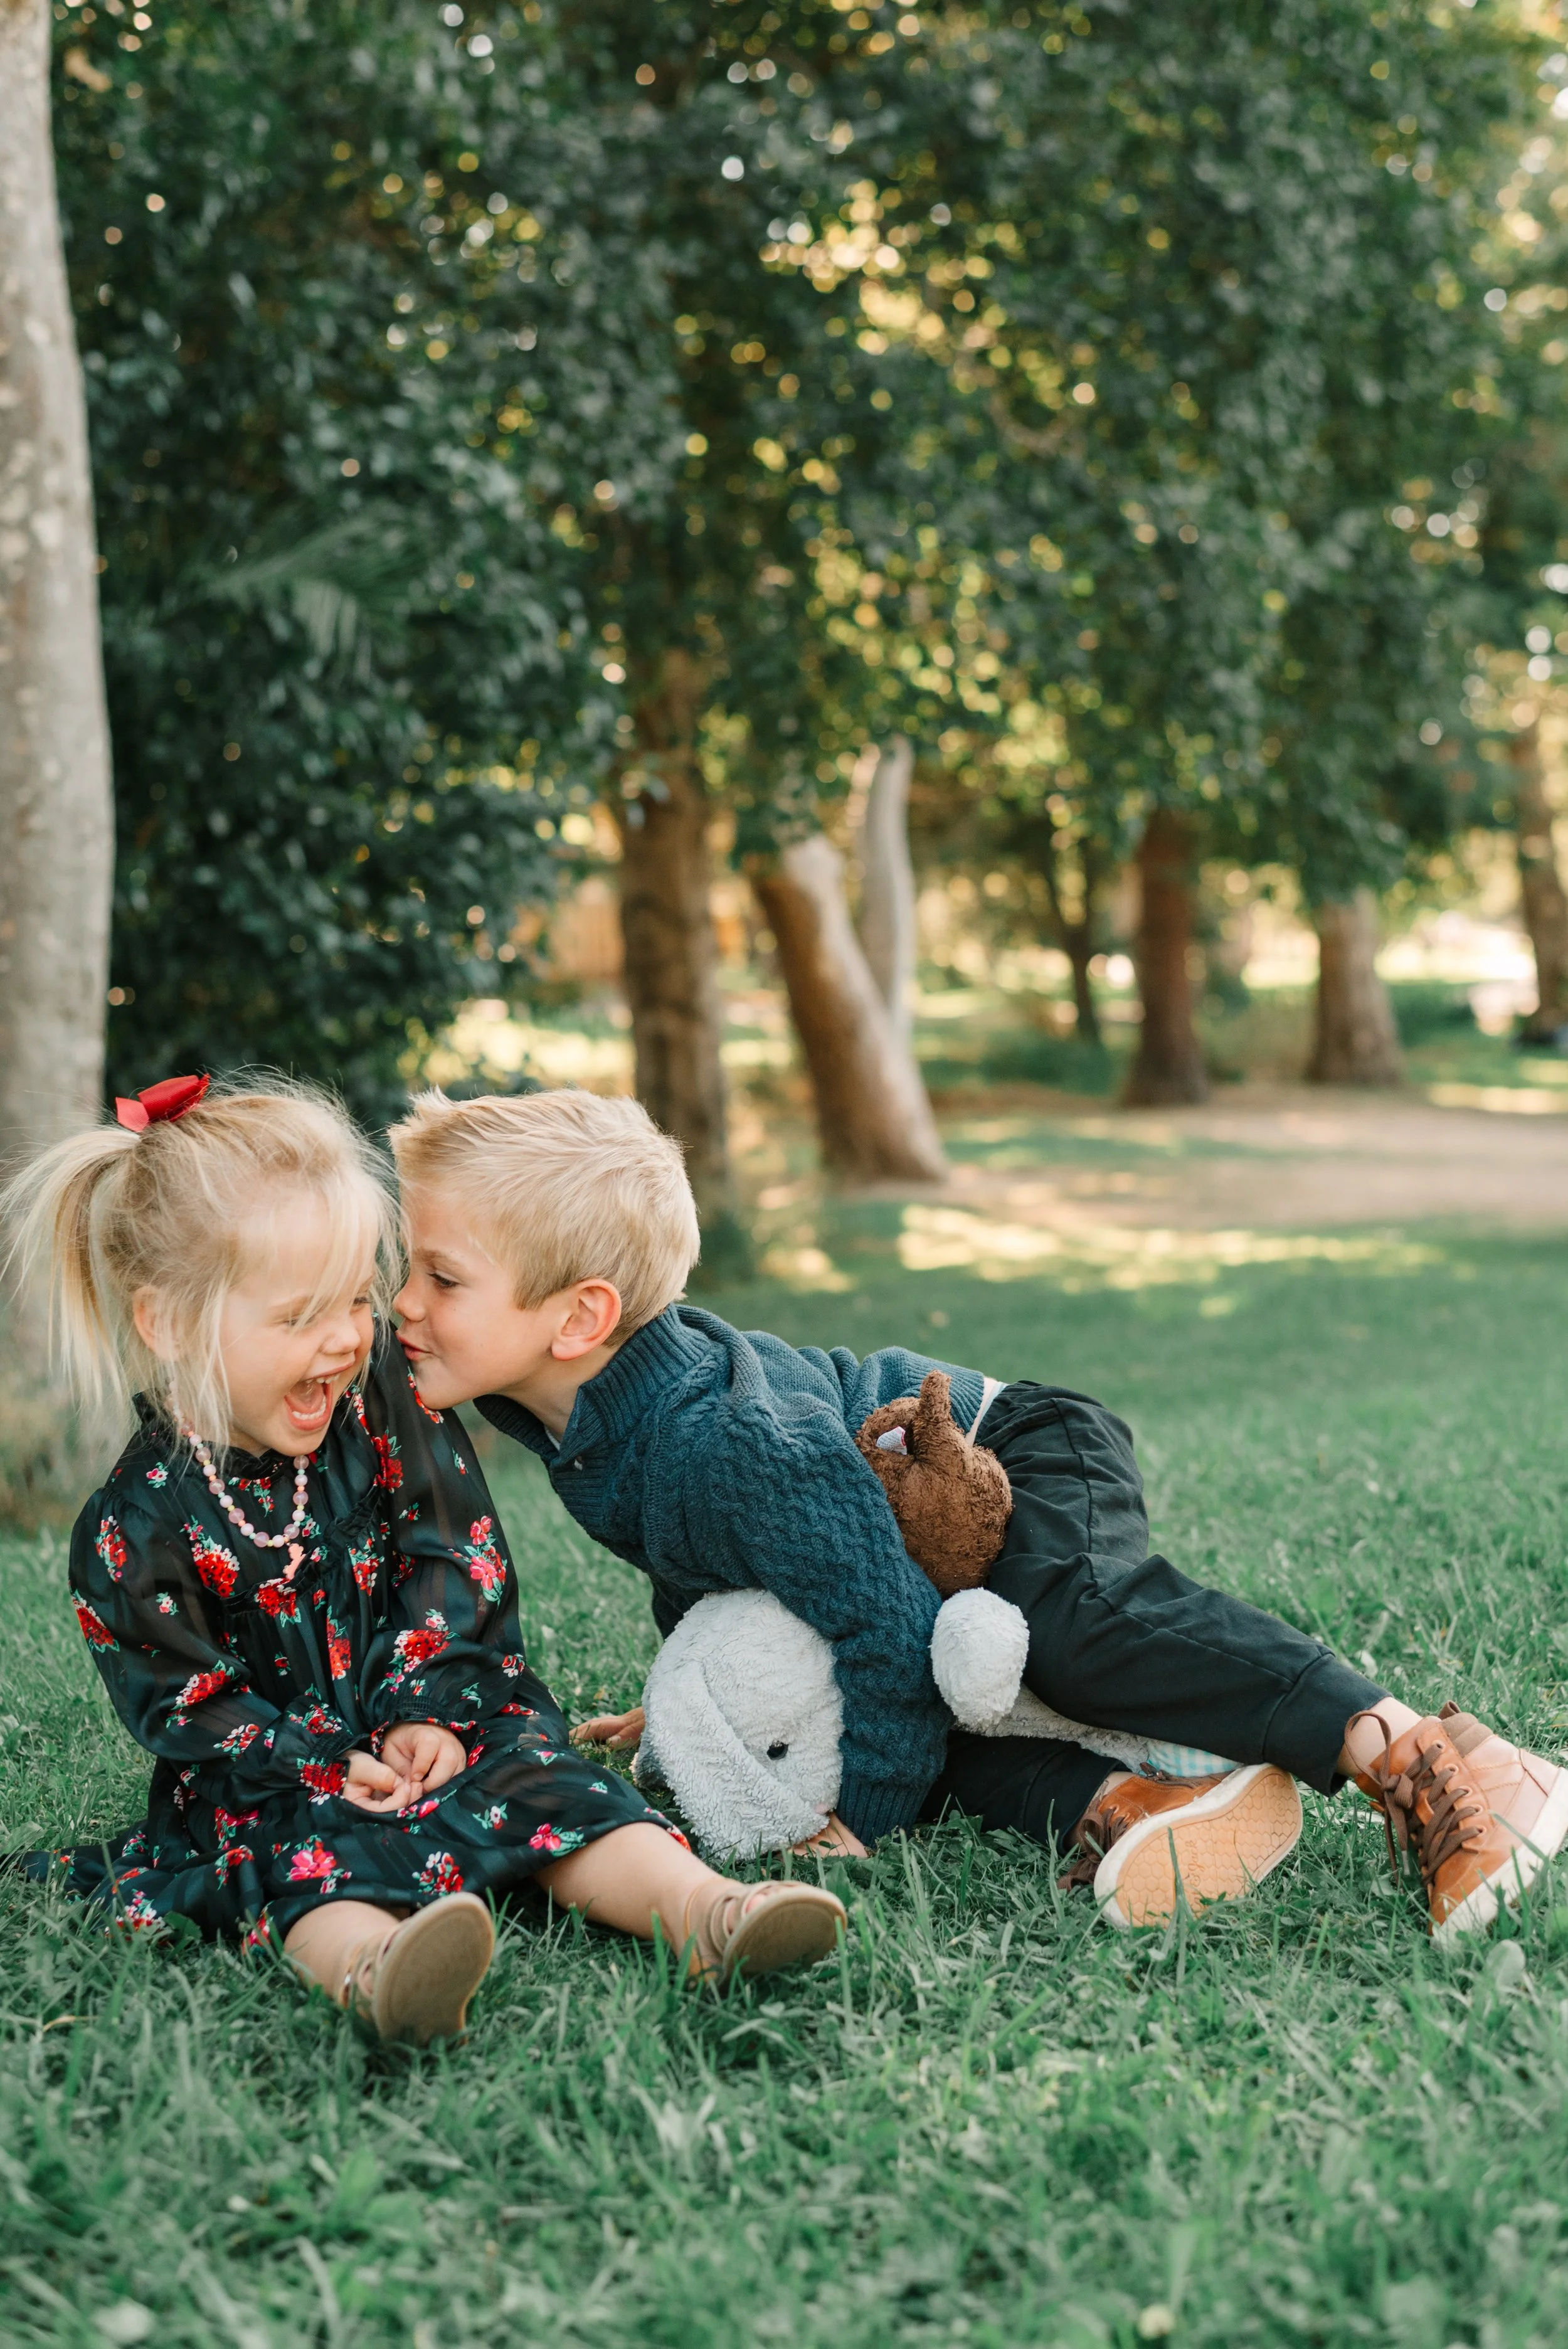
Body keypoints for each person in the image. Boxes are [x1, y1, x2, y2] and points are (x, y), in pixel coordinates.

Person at [388, 1084, 1568, 1943]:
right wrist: (684, 1692)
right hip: (891, 1536)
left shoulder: (722, 1439)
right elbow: (728, 1570)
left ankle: (1429, 1755)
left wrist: (863, 1814)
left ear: (580, 1317)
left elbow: (882, 1615)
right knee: (890, 1704)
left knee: (1067, 1624)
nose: (404, 1304)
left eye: (441, 1278)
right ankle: (1137, 1806)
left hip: (1007, 1449)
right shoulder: (584, 1422)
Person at [3, 1076, 844, 2043]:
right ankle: (377, 1969)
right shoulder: (133, 1527)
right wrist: (320, 1763)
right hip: (284, 1780)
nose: (344, 1337)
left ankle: (702, 1911)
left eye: (355, 1298)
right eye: (295, 1318)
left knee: (543, 1781)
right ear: (170, 1324)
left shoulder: (382, 1400)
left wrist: (428, 1711)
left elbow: (453, 1553)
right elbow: (183, 1702)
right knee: (296, 1861)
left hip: (441, 1720)